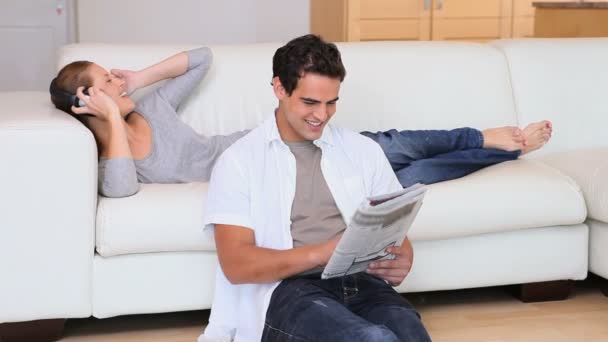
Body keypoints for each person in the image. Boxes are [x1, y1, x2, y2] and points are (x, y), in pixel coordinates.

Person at [49, 46, 552, 198]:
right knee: (407, 181)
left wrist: (139, 76)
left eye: (115, 79)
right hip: (265, 169)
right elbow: (118, 191)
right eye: (105, 83)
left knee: (393, 145)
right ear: (85, 103)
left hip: (275, 140)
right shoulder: (111, 151)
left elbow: (200, 59)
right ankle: (499, 150)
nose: (117, 84)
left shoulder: (153, 104)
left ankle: (481, 136)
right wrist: (112, 118)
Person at [202, 33, 431, 342]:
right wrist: (321, 253)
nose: (321, 115)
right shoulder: (239, 161)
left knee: (410, 335)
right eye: (309, 102)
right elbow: (237, 264)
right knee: (374, 339)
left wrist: (403, 256)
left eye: (331, 103)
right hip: (290, 291)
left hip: (362, 282)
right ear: (280, 88)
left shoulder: (362, 150)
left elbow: (393, 230)